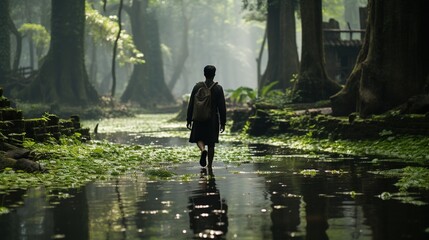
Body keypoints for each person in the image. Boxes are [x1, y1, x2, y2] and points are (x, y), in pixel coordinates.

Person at [187, 65, 226, 168]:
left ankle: (203, 150)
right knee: (211, 143)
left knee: (199, 138)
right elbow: (222, 107)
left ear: (204, 74)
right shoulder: (218, 88)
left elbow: (191, 103)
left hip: (199, 117)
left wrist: (189, 118)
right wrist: (223, 122)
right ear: (214, 74)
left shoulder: (197, 87)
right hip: (212, 119)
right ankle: (210, 166)